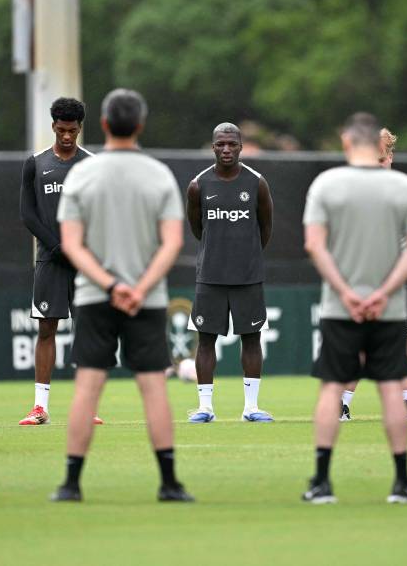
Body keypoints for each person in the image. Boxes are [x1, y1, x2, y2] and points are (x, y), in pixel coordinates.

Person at [51, 88, 193, 503]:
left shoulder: (82, 174)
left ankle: (71, 484)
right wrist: (139, 287)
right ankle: (168, 483)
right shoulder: (158, 174)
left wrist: (111, 286)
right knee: (153, 387)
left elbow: (72, 245)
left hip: (96, 297)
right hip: (146, 301)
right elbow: (171, 243)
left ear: (106, 124)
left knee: (87, 387)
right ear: (141, 125)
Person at [302, 114, 407, 504]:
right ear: (380, 145)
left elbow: (314, 246)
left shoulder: (326, 185)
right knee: (392, 390)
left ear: (346, 143)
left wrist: (347, 292)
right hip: (388, 308)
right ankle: (402, 484)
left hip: (341, 307)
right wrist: (385, 292)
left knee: (331, 390)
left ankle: (322, 483)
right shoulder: (405, 188)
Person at [339, 125, 407, 423]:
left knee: (403, 339)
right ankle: (342, 404)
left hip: (402, 278)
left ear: (390, 156)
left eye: (382, 159)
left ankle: (405, 403)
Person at [17, 97, 102, 426]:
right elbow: (28, 213)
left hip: (85, 262)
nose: (67, 136)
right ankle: (40, 407)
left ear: (81, 128)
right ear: (53, 126)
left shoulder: (92, 165)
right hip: (51, 260)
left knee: (87, 331)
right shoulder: (36, 164)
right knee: (47, 329)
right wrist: (57, 245)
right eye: (62, 130)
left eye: (73, 130)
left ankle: (86, 407)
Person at [185, 122, 274, 423]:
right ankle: (205, 407)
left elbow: (266, 228)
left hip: (248, 275)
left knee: (251, 339)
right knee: (205, 339)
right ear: (213, 146)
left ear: (240, 146)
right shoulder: (198, 185)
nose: (226, 149)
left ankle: (251, 407)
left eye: (232, 144)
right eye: (220, 144)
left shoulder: (256, 182)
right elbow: (198, 229)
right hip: (209, 276)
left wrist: (244, 254)